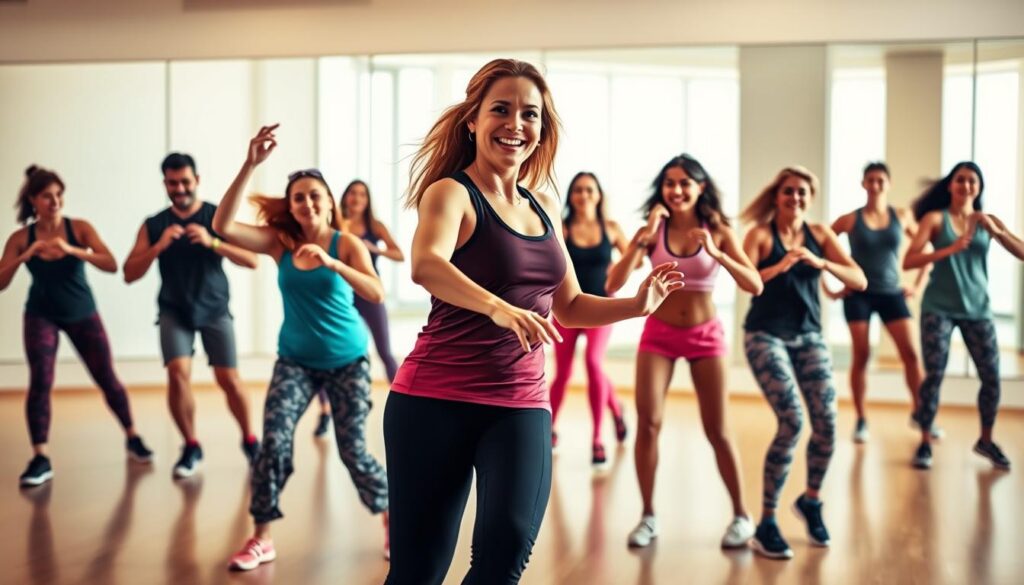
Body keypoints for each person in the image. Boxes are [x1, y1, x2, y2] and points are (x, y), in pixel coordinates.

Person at [383, 58, 682, 585]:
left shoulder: (542, 205)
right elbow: (427, 264)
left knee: (504, 556)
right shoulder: (451, 193)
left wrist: (636, 304)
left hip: (519, 404)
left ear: (542, 129)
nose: (515, 124)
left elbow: (568, 306)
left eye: (530, 114)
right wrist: (498, 306)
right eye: (500, 109)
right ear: (472, 119)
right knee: (419, 571)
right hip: (433, 401)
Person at [213, 125, 390, 570]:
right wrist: (251, 163)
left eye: (315, 195)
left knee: (353, 451)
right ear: (290, 207)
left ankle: (393, 519)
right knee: (273, 441)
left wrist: (332, 262)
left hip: (347, 362)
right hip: (295, 361)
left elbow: (375, 293)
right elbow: (221, 225)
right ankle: (262, 537)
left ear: (329, 201)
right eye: (298, 198)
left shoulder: (345, 243)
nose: (307, 203)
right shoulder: (281, 243)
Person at [605, 154, 763, 549]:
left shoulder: (718, 229)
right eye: (669, 184)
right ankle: (647, 516)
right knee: (650, 423)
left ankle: (742, 515)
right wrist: (643, 237)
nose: (676, 191)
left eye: (684, 184)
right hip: (658, 333)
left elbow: (754, 284)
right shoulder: (651, 231)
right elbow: (612, 283)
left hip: (705, 335)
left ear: (700, 188)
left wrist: (719, 252)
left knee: (718, 430)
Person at [740, 166, 867, 559]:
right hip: (765, 335)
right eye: (789, 192)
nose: (795, 198)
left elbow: (859, 279)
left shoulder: (821, 235)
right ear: (777, 196)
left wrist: (822, 263)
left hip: (809, 336)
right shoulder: (760, 235)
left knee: (828, 423)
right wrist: (782, 266)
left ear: (809, 199)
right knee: (793, 420)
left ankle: (811, 501)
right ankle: (766, 522)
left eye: (802, 193)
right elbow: (745, 280)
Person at [0, 165, 153, 488]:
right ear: (33, 200)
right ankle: (40, 457)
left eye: (58, 195)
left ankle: (132, 436)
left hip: (82, 313)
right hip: (41, 314)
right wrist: (25, 255)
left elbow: (111, 264)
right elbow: (1, 281)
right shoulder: (21, 237)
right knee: (41, 380)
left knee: (107, 378)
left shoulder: (78, 229)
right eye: (47, 196)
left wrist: (73, 250)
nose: (55, 201)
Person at [123, 153, 260, 479]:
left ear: (196, 180)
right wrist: (158, 246)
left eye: (185, 181)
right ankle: (191, 444)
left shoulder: (216, 216)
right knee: (177, 373)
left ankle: (250, 440)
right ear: (165, 184)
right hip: (174, 310)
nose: (180, 188)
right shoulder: (154, 224)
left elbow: (252, 260)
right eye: (173, 182)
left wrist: (212, 242)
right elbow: (129, 272)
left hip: (214, 310)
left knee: (229, 380)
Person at [905, 161, 1024, 471]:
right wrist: (949, 249)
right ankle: (925, 441)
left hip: (977, 309)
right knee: (934, 375)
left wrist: (996, 231)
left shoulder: (987, 221)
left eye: (972, 181)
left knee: (992, 378)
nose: (966, 185)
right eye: (960, 180)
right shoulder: (935, 219)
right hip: (938, 309)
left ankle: (985, 440)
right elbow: (909, 260)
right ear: (950, 185)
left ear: (979, 187)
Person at [824, 161, 935, 443]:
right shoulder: (849, 219)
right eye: (870, 180)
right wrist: (829, 286)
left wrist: (918, 285)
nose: (875, 185)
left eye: (880, 180)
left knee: (910, 354)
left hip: (891, 293)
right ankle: (861, 419)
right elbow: (818, 245)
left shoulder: (902, 215)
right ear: (863, 184)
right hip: (858, 294)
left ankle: (922, 414)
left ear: (888, 184)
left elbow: (927, 250)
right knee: (861, 355)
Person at [311, 179, 404, 438]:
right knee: (323, 351)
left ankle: (404, 404)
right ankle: (324, 411)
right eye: (352, 192)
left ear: (367, 200)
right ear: (344, 196)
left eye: (362, 194)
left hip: (369, 293)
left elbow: (399, 255)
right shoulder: (334, 224)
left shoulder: (375, 226)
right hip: (340, 296)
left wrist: (374, 248)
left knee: (384, 351)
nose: (357, 197)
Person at [548, 171, 629, 467]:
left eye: (590, 190)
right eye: (579, 190)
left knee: (594, 364)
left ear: (599, 194)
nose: (584, 195)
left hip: (601, 309)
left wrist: (619, 270)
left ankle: (598, 438)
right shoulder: (564, 228)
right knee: (564, 372)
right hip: (567, 308)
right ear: (572, 195)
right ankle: (550, 429)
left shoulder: (611, 228)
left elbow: (635, 258)